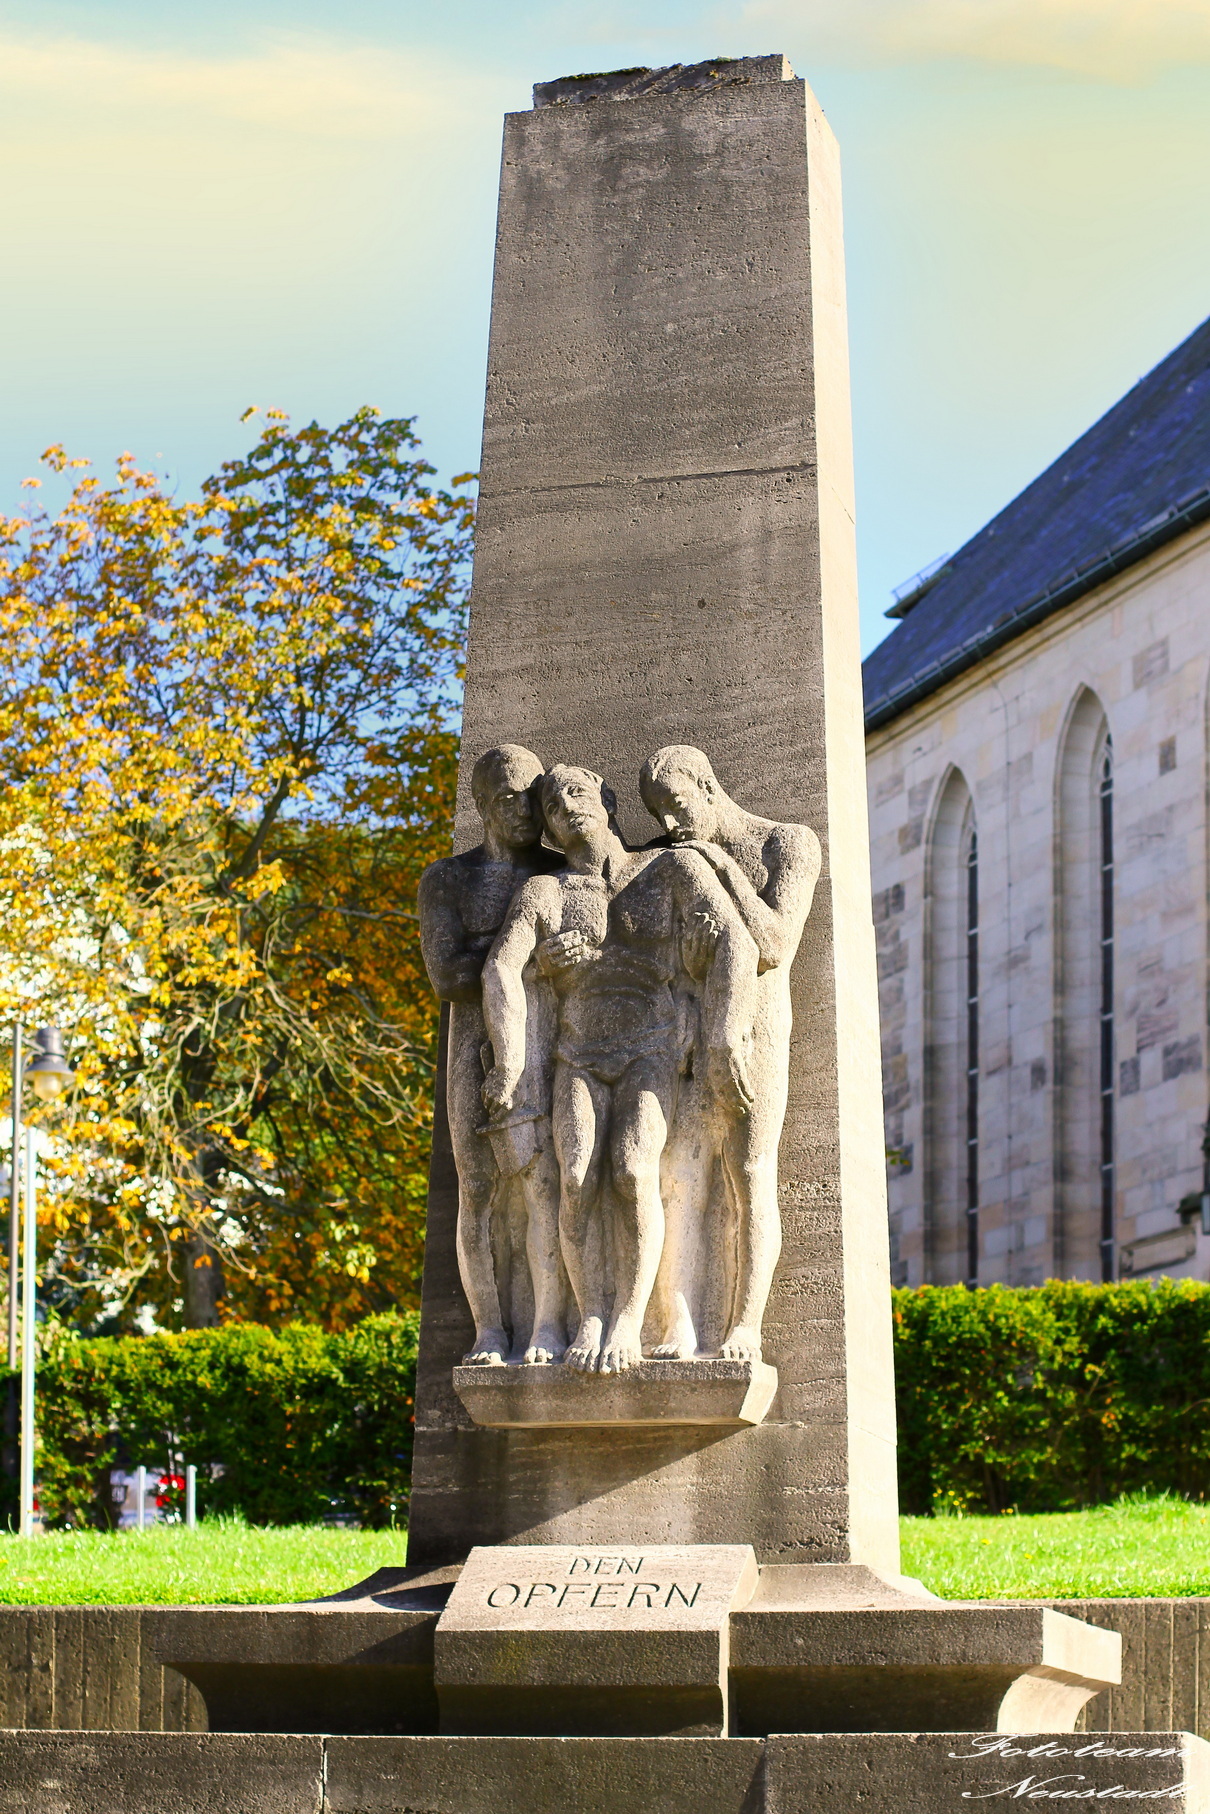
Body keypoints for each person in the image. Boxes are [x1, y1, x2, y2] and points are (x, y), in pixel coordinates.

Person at [481, 764, 758, 1375]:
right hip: (576, 1056)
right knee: (577, 1178)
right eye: (551, 805)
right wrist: (510, 1055)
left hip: (651, 1049)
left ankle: (630, 1319)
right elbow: (499, 968)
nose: (566, 807)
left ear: (607, 800)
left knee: (633, 1170)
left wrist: (722, 1036)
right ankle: (591, 1317)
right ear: (548, 829)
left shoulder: (669, 870)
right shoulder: (545, 892)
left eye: (577, 792)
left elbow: (739, 943)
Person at [639, 745, 821, 1361]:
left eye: (676, 805)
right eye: (657, 814)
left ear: (707, 785)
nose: (668, 826)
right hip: (681, 1026)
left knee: (747, 1172)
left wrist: (716, 865)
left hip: (756, 1027)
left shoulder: (787, 844)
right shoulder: (667, 857)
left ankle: (745, 1325)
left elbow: (773, 941)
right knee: (677, 1177)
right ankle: (678, 1326)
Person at [418, 745, 564, 1366]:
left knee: (544, 1186)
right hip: (472, 1044)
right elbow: (447, 977)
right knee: (477, 1188)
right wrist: (517, 957)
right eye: (508, 798)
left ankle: (549, 1326)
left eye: (532, 798)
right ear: (481, 804)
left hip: (548, 1040)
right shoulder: (449, 879)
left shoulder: (560, 874)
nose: (523, 811)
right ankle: (489, 1330)